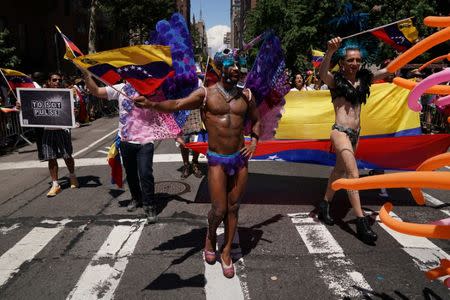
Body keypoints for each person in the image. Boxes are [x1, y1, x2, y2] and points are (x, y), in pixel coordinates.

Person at [134, 48, 261, 278]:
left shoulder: (247, 96)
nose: (236, 70)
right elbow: (176, 104)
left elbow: (257, 120)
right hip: (217, 160)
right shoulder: (205, 94)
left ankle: (226, 252)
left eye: (238, 67)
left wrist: (254, 141)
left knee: (234, 208)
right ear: (220, 68)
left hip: (240, 159)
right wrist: (152, 104)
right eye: (231, 66)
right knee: (219, 208)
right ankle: (210, 236)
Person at [318, 37, 390, 243]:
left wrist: (404, 57)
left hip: (356, 134)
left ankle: (324, 204)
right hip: (339, 132)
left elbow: (386, 72)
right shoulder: (336, 81)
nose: (355, 64)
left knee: (338, 171)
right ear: (343, 62)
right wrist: (330, 51)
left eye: (358, 60)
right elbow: (323, 74)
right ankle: (361, 222)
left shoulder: (363, 80)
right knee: (352, 173)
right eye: (350, 60)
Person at [81, 71, 159, 223]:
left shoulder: (150, 89)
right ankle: (136, 199)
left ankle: (150, 205)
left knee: (145, 174)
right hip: (125, 140)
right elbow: (96, 91)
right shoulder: (120, 88)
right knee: (130, 174)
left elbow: (164, 105)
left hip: (145, 140)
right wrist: (87, 76)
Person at [18, 72, 79, 197]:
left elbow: (74, 114)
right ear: (49, 81)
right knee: (50, 157)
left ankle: (72, 176)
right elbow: (30, 107)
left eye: (59, 80)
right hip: (48, 130)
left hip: (62, 130)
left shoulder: (66, 94)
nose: (57, 82)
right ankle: (55, 184)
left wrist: (75, 112)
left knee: (67, 155)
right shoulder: (41, 95)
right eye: (54, 80)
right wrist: (20, 106)